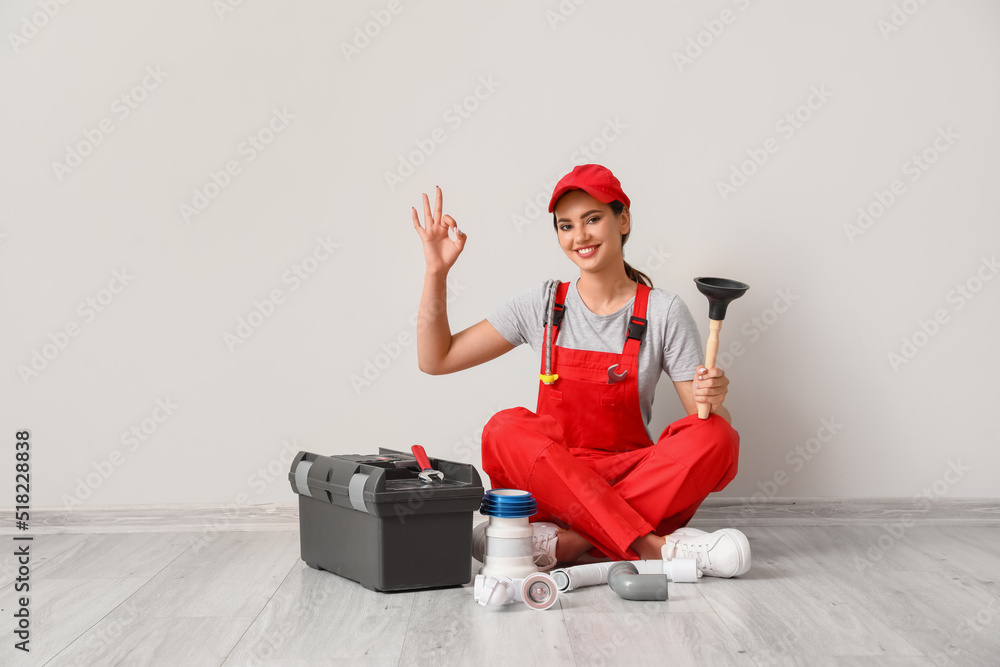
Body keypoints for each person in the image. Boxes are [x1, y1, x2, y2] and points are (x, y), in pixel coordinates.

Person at [411, 164, 750, 578]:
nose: (580, 236)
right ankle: (653, 547)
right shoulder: (541, 303)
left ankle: (569, 544)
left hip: (633, 480)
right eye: (566, 226)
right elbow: (436, 359)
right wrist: (436, 272)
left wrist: (714, 399)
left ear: (623, 220)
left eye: (593, 219)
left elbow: (704, 422)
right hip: (554, 481)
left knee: (719, 435)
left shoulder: (663, 311)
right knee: (503, 429)